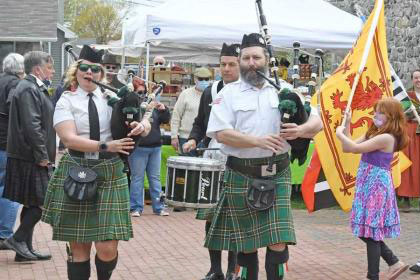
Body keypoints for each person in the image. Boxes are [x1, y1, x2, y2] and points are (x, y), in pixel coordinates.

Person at [205, 33, 323, 280]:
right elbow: (221, 133)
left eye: (256, 57)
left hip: (277, 172)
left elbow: (317, 121)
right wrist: (256, 141)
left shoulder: (285, 90)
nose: (251, 62)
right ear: (240, 61)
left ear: (266, 60)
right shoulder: (228, 94)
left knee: (278, 241)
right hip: (241, 172)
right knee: (247, 244)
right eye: (246, 58)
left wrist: (300, 130)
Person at [41, 45, 150, 280]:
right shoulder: (66, 101)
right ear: (76, 71)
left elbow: (142, 118)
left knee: (107, 247)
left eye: (95, 69)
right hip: (77, 170)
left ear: (102, 74)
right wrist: (106, 146)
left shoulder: (113, 97)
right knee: (80, 247)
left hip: (109, 172)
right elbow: (69, 138)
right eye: (84, 68)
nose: (89, 73)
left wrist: (142, 125)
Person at [183, 43, 241, 280]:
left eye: (231, 64)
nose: (226, 69)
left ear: (240, 65)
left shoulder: (246, 90)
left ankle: (232, 270)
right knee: (211, 216)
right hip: (212, 158)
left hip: (237, 159)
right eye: (222, 64)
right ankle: (215, 268)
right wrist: (193, 140)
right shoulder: (211, 90)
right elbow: (200, 122)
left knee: (235, 217)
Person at [336, 98, 410, 280]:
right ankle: (393, 262)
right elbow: (347, 147)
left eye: (381, 112)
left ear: (391, 116)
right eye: (376, 111)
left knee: (371, 230)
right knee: (365, 229)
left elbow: (354, 148)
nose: (376, 115)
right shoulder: (375, 132)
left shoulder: (386, 137)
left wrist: (339, 134)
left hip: (377, 185)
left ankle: (374, 275)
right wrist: (346, 124)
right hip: (366, 182)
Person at [2, 51, 56, 262]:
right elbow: (32, 125)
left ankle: (23, 250)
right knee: (42, 201)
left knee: (31, 202)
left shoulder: (31, 87)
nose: (52, 71)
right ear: (38, 69)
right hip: (30, 156)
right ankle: (18, 239)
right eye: (49, 67)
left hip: (29, 154)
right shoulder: (28, 88)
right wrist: (42, 155)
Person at [129, 95, 171, 217]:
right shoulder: (134, 109)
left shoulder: (154, 108)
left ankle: (159, 207)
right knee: (137, 178)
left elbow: (165, 119)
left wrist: (163, 109)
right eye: (140, 93)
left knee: (155, 178)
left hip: (155, 147)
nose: (143, 96)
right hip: (139, 148)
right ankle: (135, 208)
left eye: (145, 93)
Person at [0, 53, 24, 251]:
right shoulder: (15, 85)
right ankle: (4, 233)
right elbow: (15, 111)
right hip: (7, 144)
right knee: (10, 189)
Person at [171, 67, 212, 156]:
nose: (204, 81)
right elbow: (176, 115)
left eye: (206, 79)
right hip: (185, 138)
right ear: (195, 79)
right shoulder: (185, 94)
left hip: (206, 140)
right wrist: (174, 136)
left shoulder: (212, 95)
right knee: (187, 168)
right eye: (201, 79)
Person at [397, 69, 420, 211]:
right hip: (411, 133)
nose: (418, 80)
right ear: (412, 80)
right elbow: (402, 115)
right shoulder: (407, 97)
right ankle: (406, 199)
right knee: (409, 165)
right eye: (416, 78)